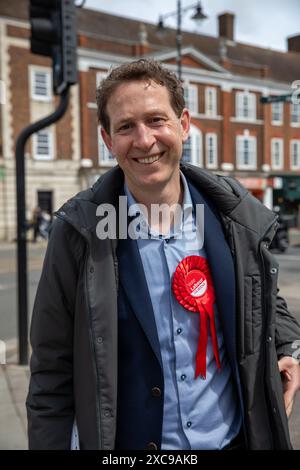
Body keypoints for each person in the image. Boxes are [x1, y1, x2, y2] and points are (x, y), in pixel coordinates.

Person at [26, 59, 300, 450]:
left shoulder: (230, 217)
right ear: (107, 139)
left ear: (183, 124)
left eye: (157, 120)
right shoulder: (80, 231)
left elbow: (264, 297)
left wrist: (289, 347)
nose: (143, 140)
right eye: (125, 127)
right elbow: (51, 372)